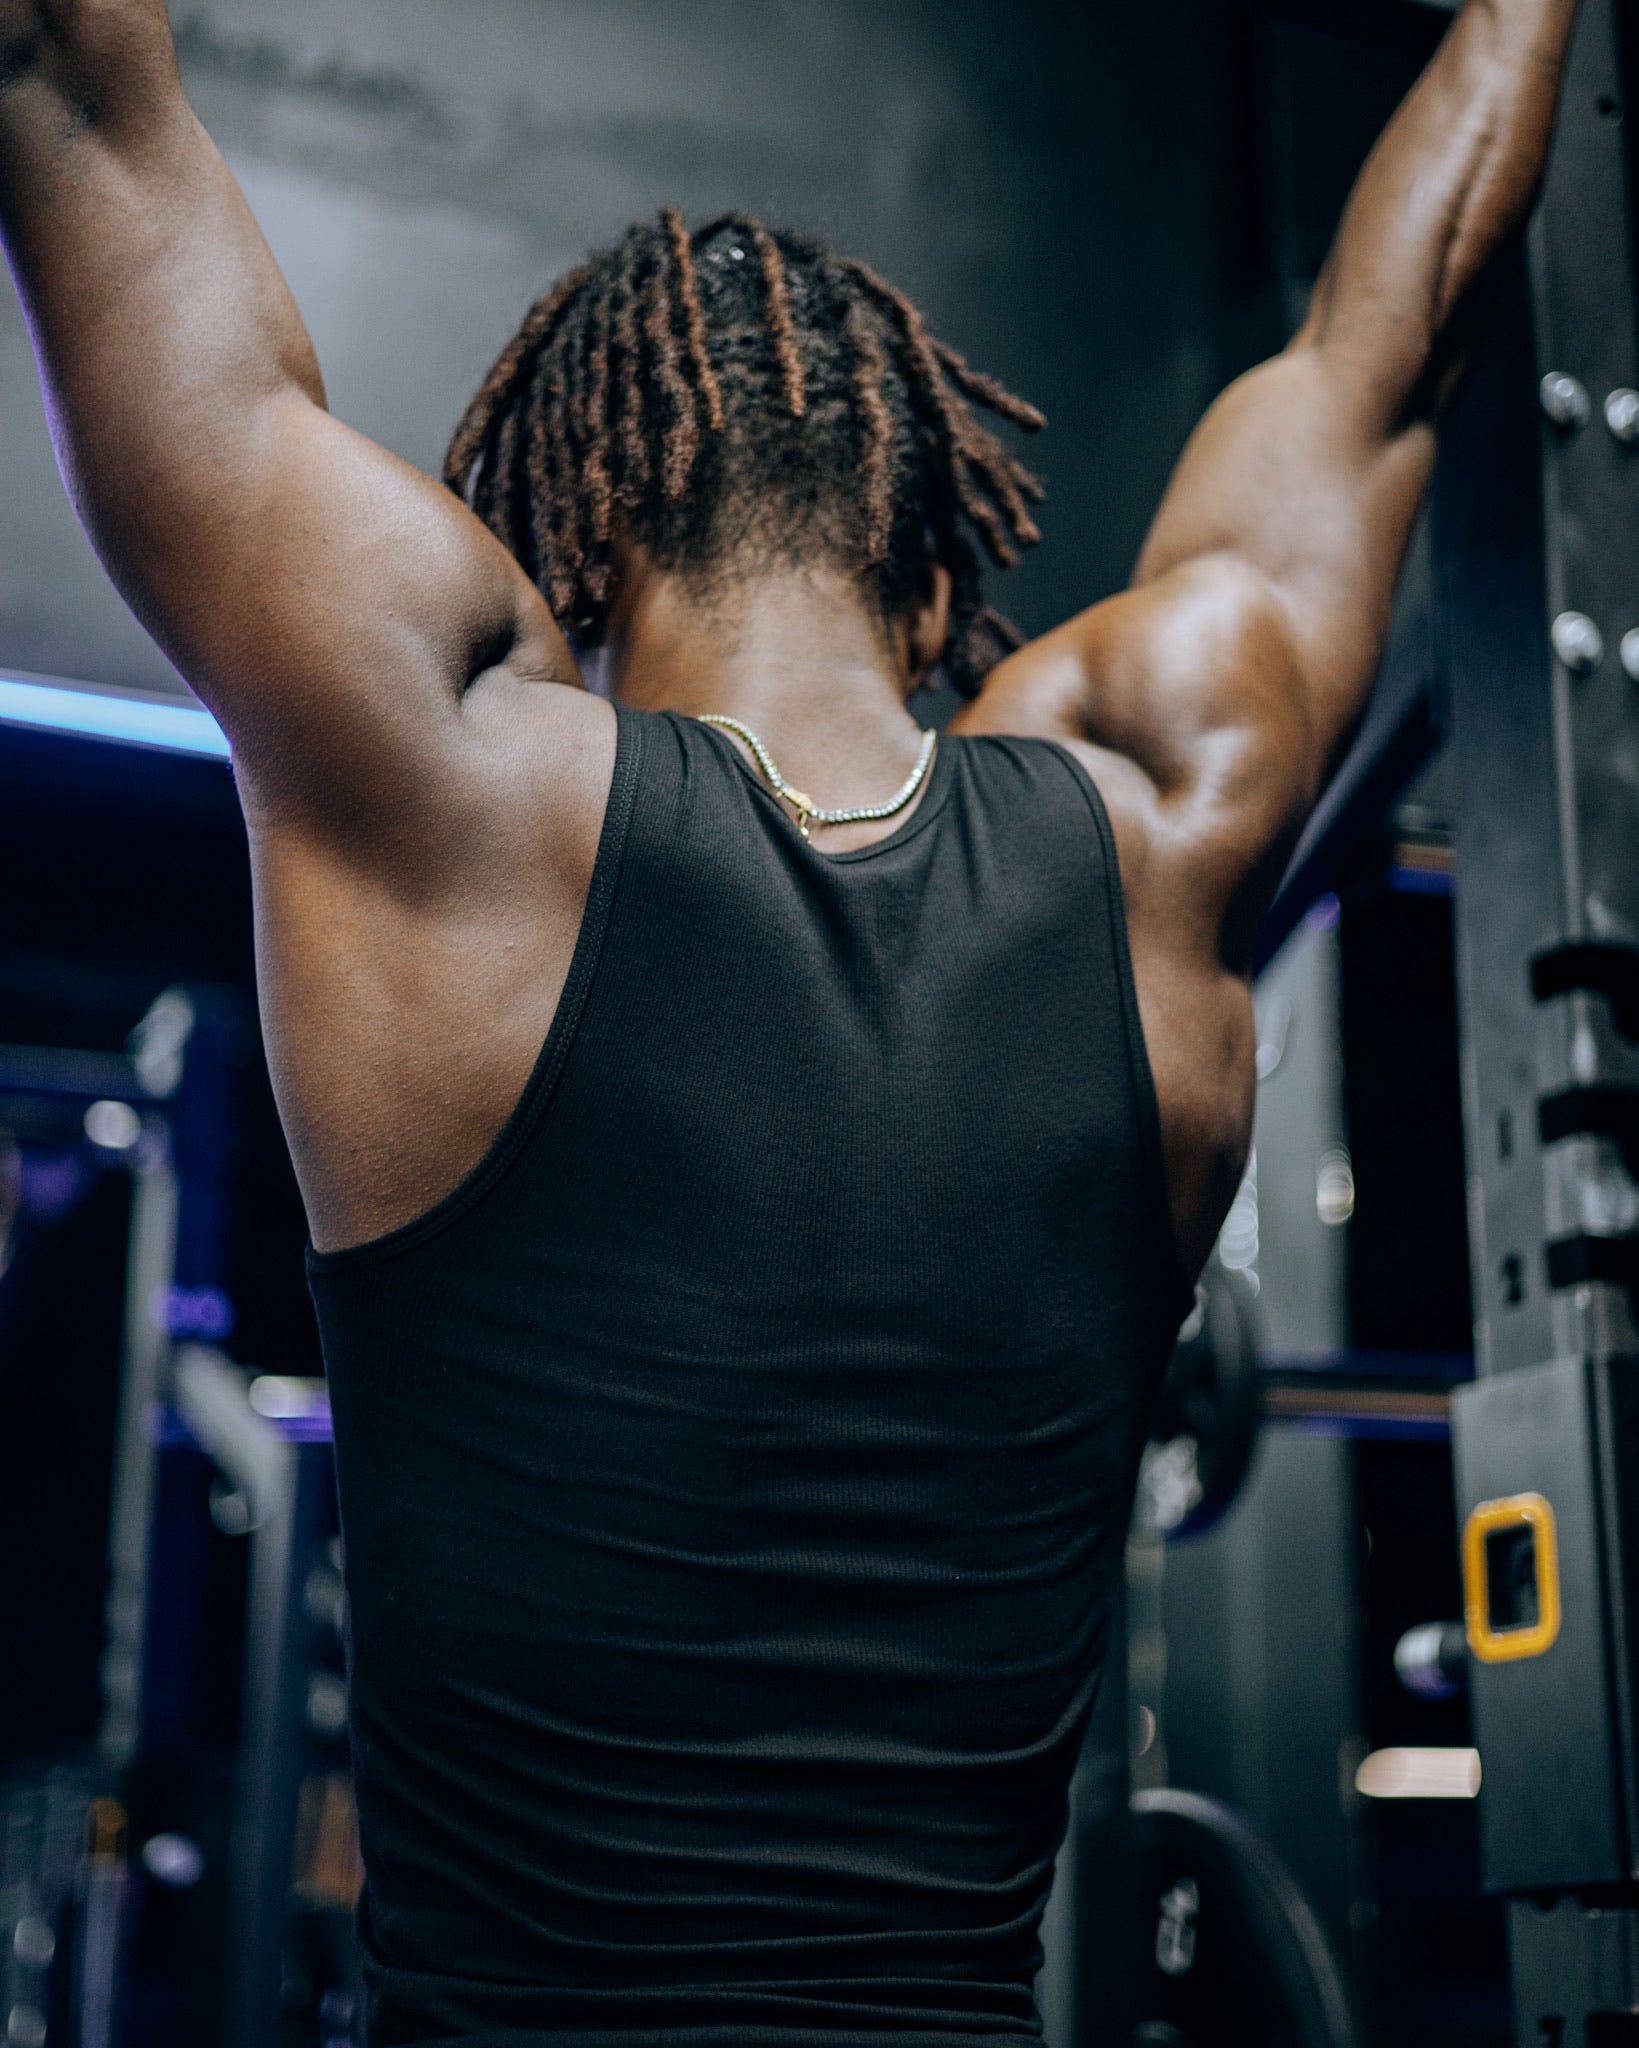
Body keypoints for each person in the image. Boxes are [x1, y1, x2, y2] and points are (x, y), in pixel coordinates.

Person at [0, 0, 1579, 2039]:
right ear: (940, 597)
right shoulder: (1160, 841)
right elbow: (1387, 338)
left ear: (581, 549)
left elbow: (56, 68)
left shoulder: (455, 804)